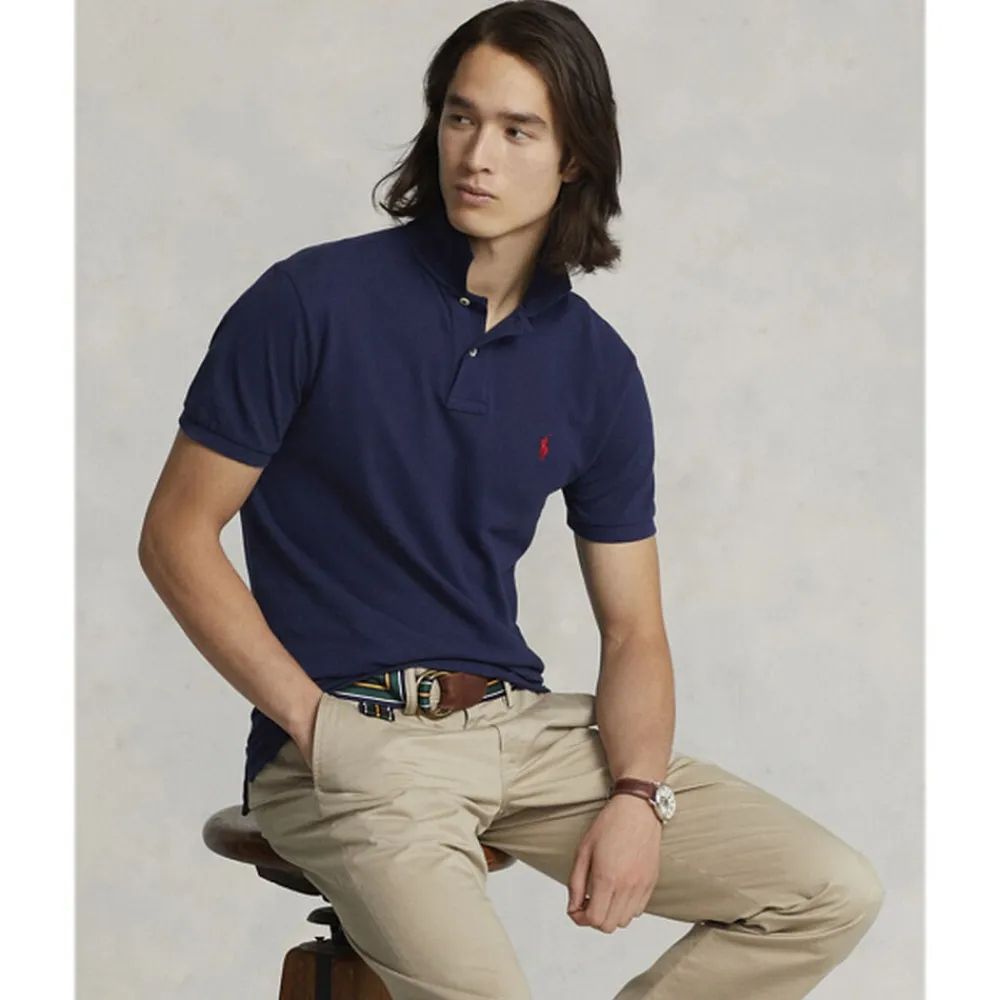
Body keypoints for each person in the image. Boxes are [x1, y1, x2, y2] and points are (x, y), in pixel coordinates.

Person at [138, 2, 885, 997]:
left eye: (517, 130)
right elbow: (176, 535)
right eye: (461, 117)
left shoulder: (596, 370)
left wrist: (637, 794)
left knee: (826, 891)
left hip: (518, 731)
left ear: (573, 157)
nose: (476, 155)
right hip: (347, 735)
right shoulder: (310, 302)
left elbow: (634, 630)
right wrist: (315, 725)